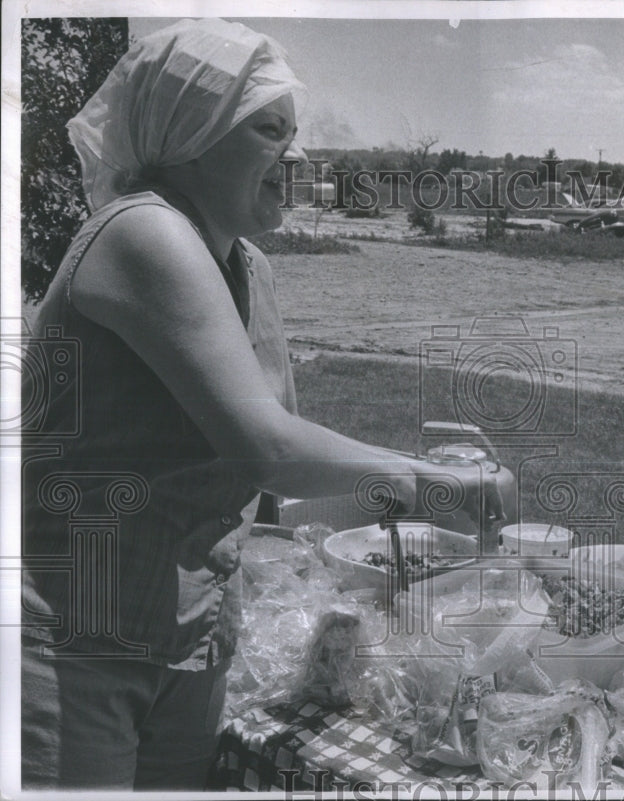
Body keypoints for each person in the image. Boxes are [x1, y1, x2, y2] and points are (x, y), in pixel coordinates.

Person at [20, 19, 489, 790]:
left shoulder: (246, 266)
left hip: (190, 640)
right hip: (77, 647)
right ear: (189, 137)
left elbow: (275, 470)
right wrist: (431, 481)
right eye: (270, 130)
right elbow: (262, 444)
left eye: (295, 133)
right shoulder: (144, 233)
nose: (296, 157)